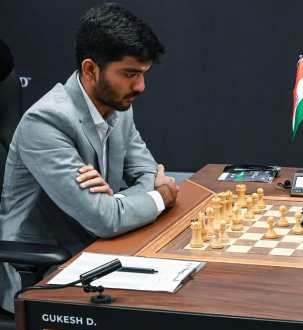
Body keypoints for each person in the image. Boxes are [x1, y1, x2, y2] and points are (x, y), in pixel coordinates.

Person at [0, 3, 179, 312]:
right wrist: (159, 197)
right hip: (45, 272)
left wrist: (119, 203)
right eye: (130, 74)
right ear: (90, 69)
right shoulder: (45, 122)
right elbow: (106, 219)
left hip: (100, 251)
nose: (140, 86)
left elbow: (146, 173)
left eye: (143, 74)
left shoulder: (119, 104)